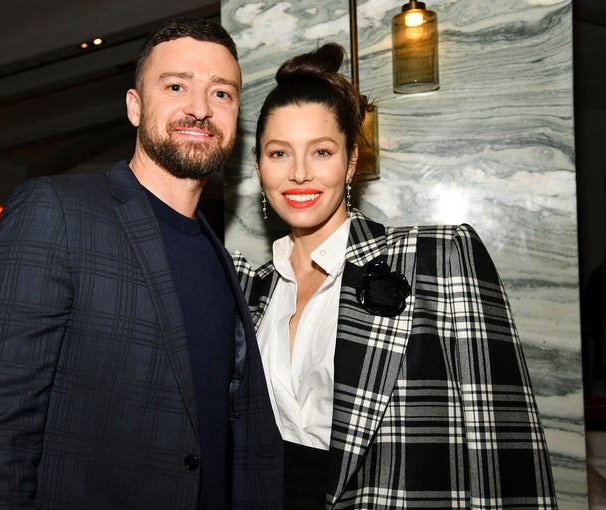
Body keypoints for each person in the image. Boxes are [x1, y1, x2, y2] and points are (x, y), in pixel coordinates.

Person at [0, 17, 282, 509]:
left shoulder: (220, 256)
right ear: (134, 106)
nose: (199, 108)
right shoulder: (55, 210)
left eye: (221, 94)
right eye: (176, 86)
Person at [233, 42, 557, 509]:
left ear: (351, 162)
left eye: (321, 151)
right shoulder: (249, 290)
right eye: (279, 153)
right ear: (260, 167)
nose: (299, 173)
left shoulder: (436, 258)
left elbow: (502, 435)